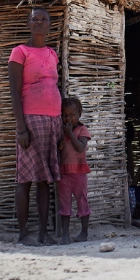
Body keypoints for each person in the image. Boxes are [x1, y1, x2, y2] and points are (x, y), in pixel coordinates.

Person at [8, 7, 62, 246]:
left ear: (49, 25)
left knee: (44, 180)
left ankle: (43, 232)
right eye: (34, 19)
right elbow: (14, 91)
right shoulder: (20, 52)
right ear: (28, 24)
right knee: (25, 180)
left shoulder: (52, 54)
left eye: (43, 19)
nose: (39, 23)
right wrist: (21, 128)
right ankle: (23, 234)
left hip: (53, 121)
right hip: (31, 120)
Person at [57, 97, 91, 244]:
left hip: (78, 173)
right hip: (64, 173)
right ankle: (65, 235)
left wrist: (69, 134)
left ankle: (84, 233)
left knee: (82, 201)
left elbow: (80, 147)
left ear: (79, 115)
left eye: (72, 115)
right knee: (64, 203)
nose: (68, 118)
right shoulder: (61, 132)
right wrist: (60, 145)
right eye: (65, 115)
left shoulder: (82, 130)